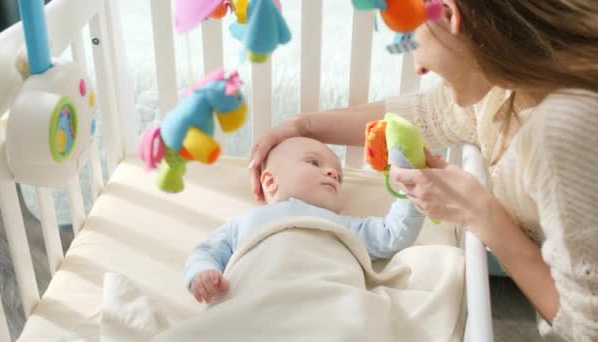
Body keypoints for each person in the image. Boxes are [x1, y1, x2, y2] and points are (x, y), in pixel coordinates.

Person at [248, 1, 598, 340]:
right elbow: (431, 112)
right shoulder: (505, 84)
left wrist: (482, 214)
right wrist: (302, 126)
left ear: (449, 15)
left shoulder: (562, 126)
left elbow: (588, 329)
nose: (418, 68)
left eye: (410, 40)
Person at [185, 137, 424, 304]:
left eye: (339, 176)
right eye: (314, 163)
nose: (332, 173)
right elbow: (207, 251)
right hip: (257, 295)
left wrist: (409, 187)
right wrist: (203, 273)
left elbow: (392, 235)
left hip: (328, 298)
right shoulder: (246, 222)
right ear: (269, 181)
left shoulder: (343, 225)